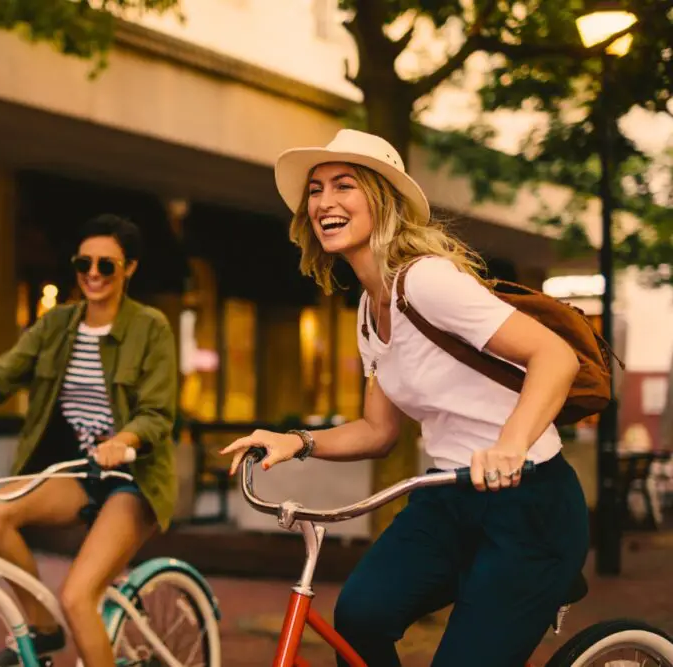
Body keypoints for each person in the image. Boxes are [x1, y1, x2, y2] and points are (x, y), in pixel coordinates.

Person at [221, 129, 590, 667]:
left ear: (382, 201)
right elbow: (377, 432)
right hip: (448, 495)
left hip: (528, 500)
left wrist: (510, 444)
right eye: (316, 190)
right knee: (360, 617)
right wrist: (296, 441)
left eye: (344, 185)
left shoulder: (427, 282)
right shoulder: (370, 312)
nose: (325, 201)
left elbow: (556, 357)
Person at [0, 214, 178, 667]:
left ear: (130, 269)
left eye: (108, 265)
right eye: (85, 263)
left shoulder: (150, 326)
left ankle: (66, 619)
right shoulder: (56, 326)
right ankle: (43, 626)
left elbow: (157, 413)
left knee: (80, 597)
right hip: (77, 471)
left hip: (131, 478)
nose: (94, 274)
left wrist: (124, 439)